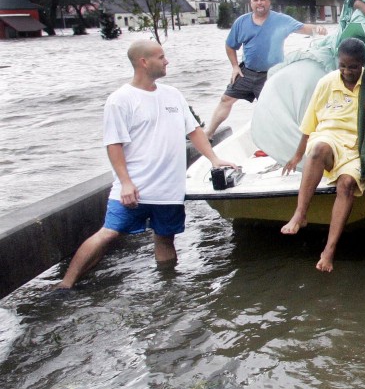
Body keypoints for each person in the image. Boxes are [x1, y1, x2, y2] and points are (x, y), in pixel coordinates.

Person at [57, 40, 237, 289]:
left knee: (165, 239)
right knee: (108, 233)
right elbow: (114, 145)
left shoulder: (172, 94)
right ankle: (65, 285)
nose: (167, 61)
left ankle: (168, 288)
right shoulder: (120, 100)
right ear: (144, 62)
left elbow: (194, 131)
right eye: (161, 57)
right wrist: (126, 183)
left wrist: (214, 159)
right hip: (135, 187)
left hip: (169, 190)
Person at [280, 38, 365, 272]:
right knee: (318, 150)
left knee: (346, 184)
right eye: (342, 65)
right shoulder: (327, 83)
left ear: (363, 63)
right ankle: (300, 214)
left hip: (358, 145)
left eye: (352, 67)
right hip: (329, 139)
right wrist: (296, 156)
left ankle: (329, 250)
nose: (346, 71)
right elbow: (309, 123)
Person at [204, 0, 327, 140]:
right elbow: (230, 46)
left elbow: (302, 28)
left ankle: (287, 141)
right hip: (246, 72)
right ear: (251, 4)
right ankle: (208, 133)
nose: (259, 3)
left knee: (276, 110)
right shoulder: (241, 22)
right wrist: (235, 66)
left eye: (262, 0)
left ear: (268, 3)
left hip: (270, 75)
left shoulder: (280, 20)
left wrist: (317, 29)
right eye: (256, 0)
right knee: (226, 99)